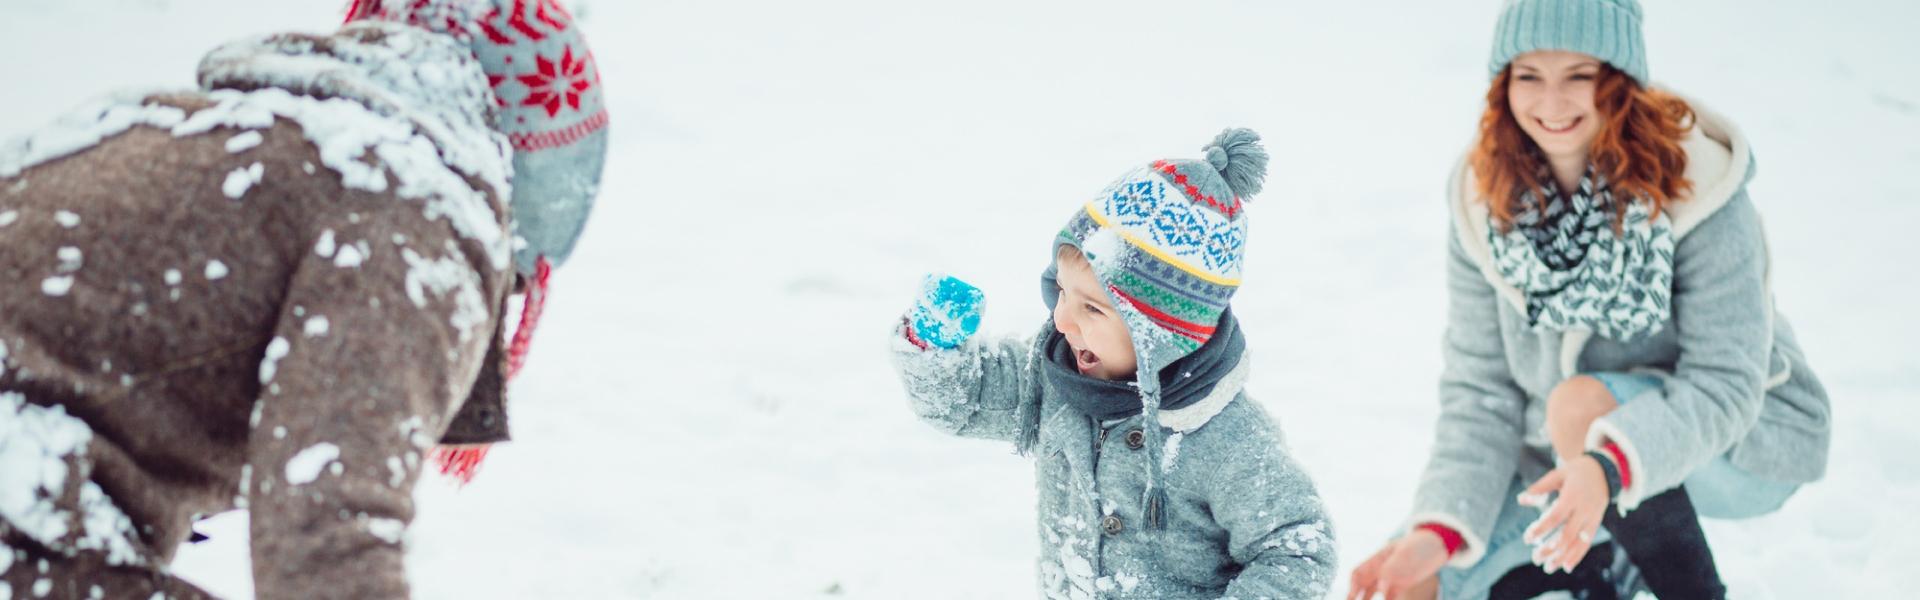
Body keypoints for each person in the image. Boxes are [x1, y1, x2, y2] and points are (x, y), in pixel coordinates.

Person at [1347, 1, 1832, 599]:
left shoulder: (1700, 185)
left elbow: (1726, 384)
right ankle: (1601, 569)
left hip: (1739, 442)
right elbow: (1481, 394)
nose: (1552, 103)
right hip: (1563, 458)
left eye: (1580, 75)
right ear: (1504, 86)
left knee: (1580, 407)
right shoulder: (1482, 202)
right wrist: (1439, 531)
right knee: (1407, 579)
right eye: (1529, 76)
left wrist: (1606, 468)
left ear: (1621, 79)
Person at [892, 129, 1337, 599]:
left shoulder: (1228, 441)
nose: (1062, 319)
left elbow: (1297, 548)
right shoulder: (1054, 378)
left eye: (1093, 309)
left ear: (1162, 336)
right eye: (1061, 291)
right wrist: (931, 345)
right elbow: (965, 401)